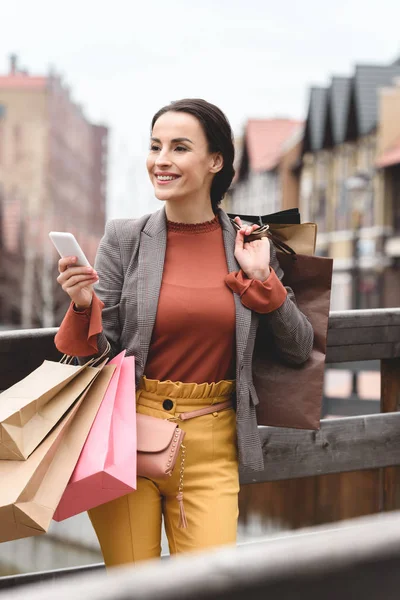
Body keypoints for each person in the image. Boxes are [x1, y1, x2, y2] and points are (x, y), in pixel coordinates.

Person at [54, 98, 314, 567]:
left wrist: (263, 279)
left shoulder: (249, 241)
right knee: (133, 586)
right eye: (155, 146)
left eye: (179, 147)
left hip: (213, 445)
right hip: (127, 436)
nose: (161, 160)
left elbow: (299, 348)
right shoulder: (124, 238)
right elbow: (97, 352)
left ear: (216, 161)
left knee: (209, 585)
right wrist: (83, 305)